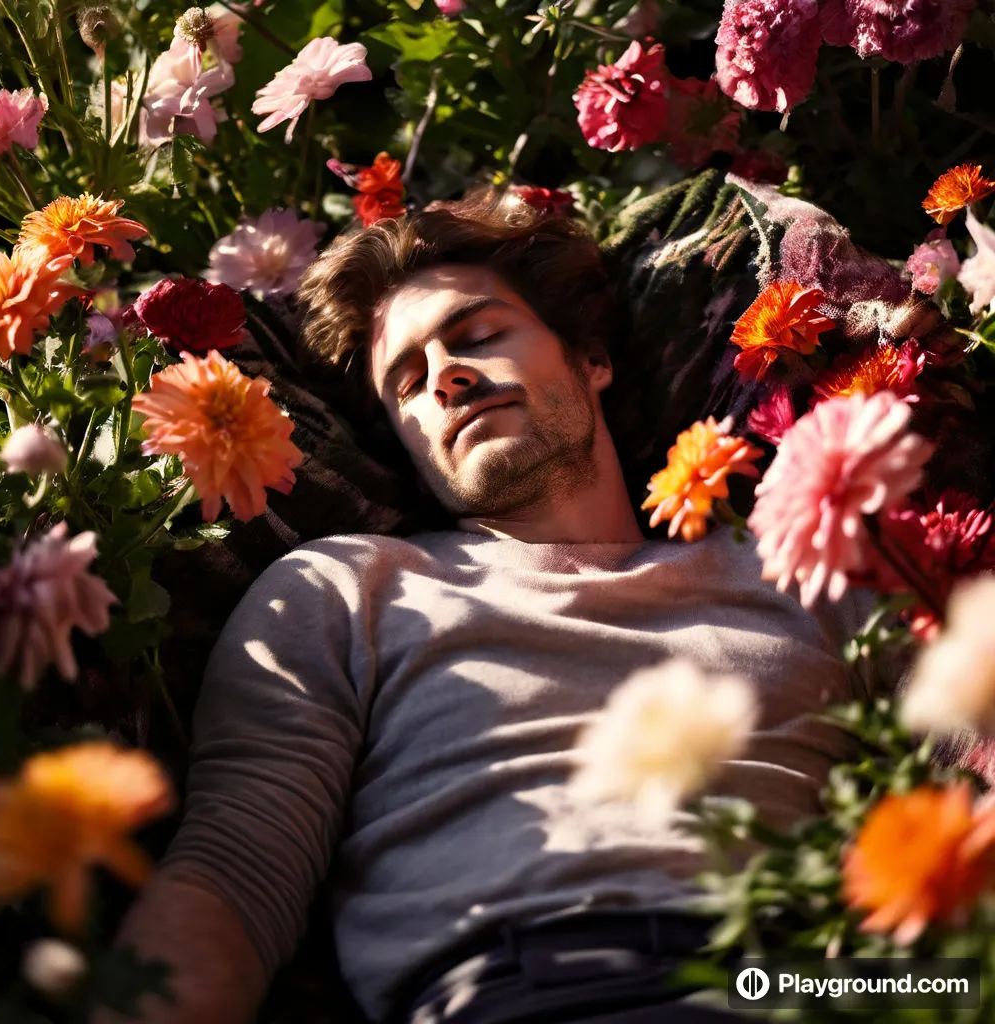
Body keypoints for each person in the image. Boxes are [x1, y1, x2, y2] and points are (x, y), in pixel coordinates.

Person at [108, 192, 876, 1024]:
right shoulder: (345, 592)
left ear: (591, 359)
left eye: (477, 336)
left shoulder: (798, 565)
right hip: (514, 995)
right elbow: (233, 879)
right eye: (407, 380)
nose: (446, 377)